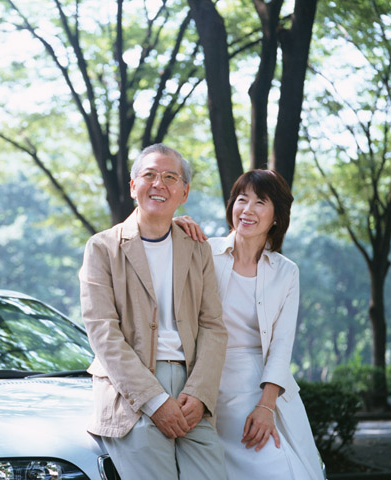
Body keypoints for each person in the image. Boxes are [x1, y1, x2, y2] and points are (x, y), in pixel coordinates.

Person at [79, 144, 228, 479]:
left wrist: (200, 394)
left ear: (184, 192)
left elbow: (213, 326)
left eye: (170, 177)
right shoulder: (102, 248)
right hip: (131, 393)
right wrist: (154, 400)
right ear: (134, 186)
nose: (158, 184)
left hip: (192, 387)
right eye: (149, 175)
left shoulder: (197, 247)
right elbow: (103, 332)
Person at [174, 169, 322, 479]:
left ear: (276, 216)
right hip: (206, 379)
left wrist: (266, 406)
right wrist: (174, 225)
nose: (247, 210)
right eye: (242, 200)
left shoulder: (286, 271)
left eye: (260, 202)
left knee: (277, 467)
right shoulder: (203, 250)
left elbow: (282, 344)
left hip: (259, 387)